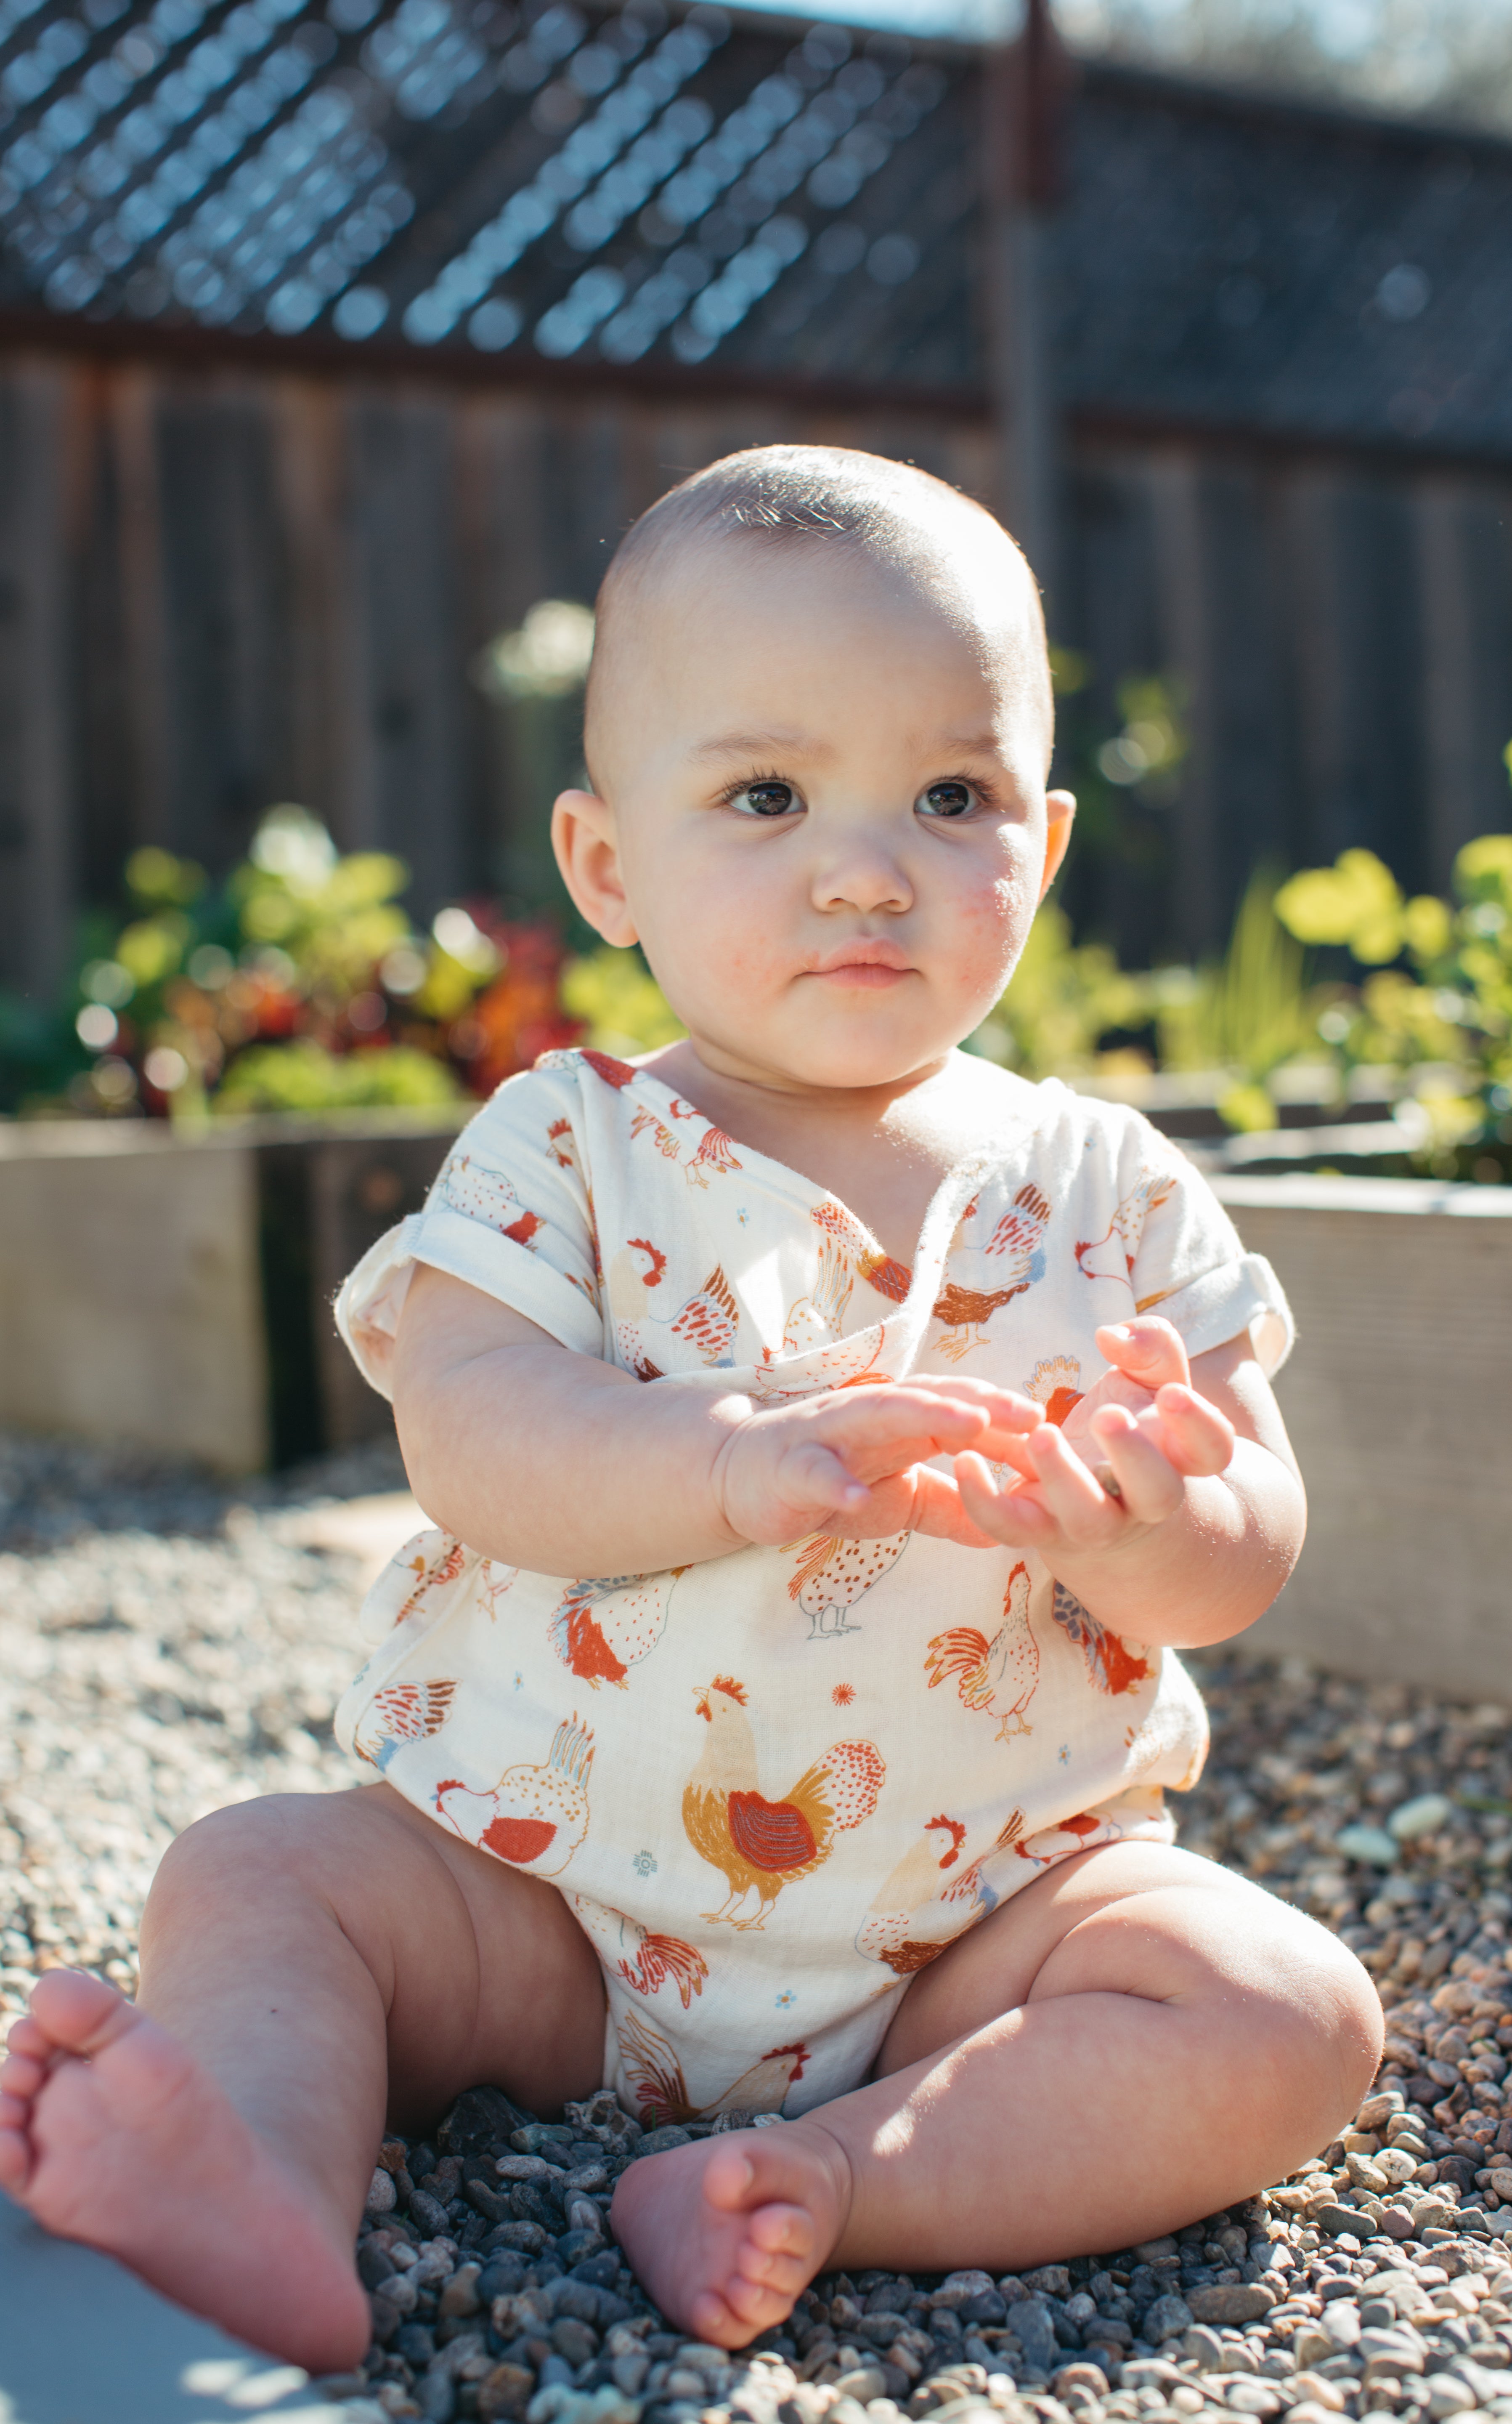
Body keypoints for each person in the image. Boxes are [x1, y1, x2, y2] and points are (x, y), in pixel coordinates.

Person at [0, 447, 1382, 2374]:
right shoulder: (572, 1141)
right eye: (766, 795)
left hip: (977, 1933)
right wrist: (726, 1465)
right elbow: (467, 1428)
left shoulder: (1117, 1192)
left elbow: (1249, 1541)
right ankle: (247, 2187)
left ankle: (837, 2177)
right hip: (544, 1898)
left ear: (1042, 850)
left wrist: (1148, 1519)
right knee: (257, 1877)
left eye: (951, 795)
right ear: (607, 865)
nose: (863, 862)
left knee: (1284, 2005)